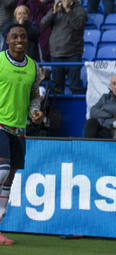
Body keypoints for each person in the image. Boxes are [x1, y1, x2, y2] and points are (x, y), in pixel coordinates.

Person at [0, 23, 43, 245]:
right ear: (6, 40)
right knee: (2, 170)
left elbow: (34, 95)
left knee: (10, 177)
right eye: (14, 36)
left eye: (23, 36)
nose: (19, 40)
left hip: (19, 128)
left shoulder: (34, 67)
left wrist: (35, 110)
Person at [41, 0, 88, 94]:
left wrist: (68, 9)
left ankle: (77, 108)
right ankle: (57, 108)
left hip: (73, 54)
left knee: (75, 87)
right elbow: (43, 24)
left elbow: (78, 25)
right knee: (57, 88)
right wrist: (53, 12)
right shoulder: (56, 9)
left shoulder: (79, 9)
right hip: (56, 54)